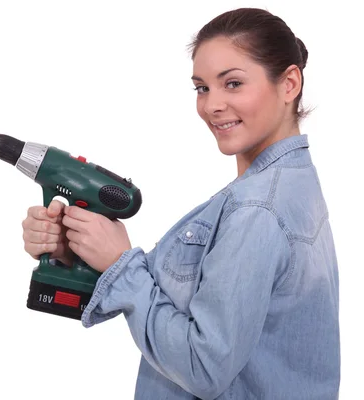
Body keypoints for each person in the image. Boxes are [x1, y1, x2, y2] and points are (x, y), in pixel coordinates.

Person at [21, 7, 340, 400]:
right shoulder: (288, 184)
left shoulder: (257, 210)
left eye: (233, 83)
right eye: (202, 88)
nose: (212, 105)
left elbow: (203, 367)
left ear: (289, 83)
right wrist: (81, 253)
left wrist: (122, 265)